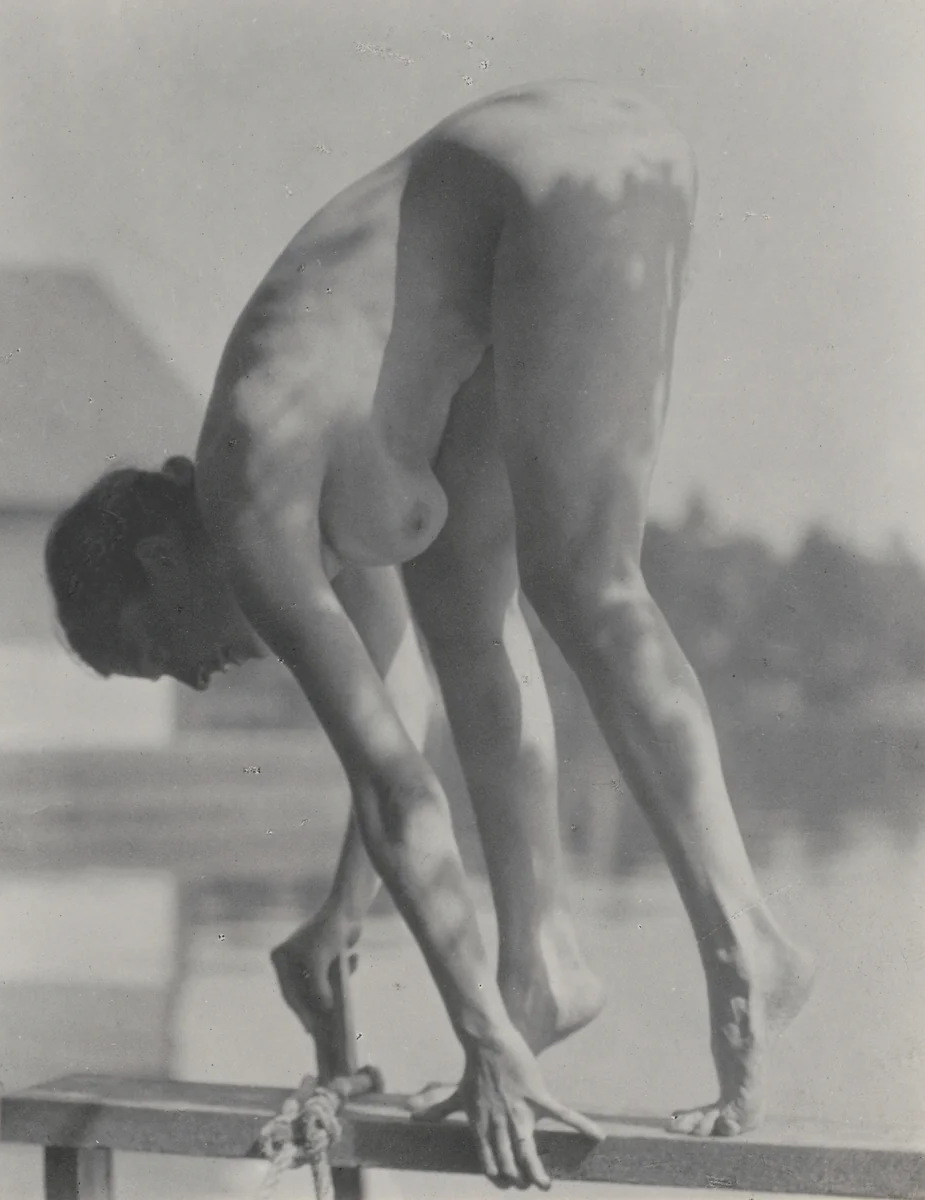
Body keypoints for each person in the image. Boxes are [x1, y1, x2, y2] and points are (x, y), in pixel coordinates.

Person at [45, 80, 813, 1190]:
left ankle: (747, 943)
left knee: (585, 581)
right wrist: (339, 915)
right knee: (464, 596)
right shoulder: (301, 476)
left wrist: (482, 1044)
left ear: (160, 561)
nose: (194, 678)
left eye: (154, 647)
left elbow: (401, 792)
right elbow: (401, 713)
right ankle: (539, 964)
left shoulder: (248, 496)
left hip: (561, 169)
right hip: (543, 179)